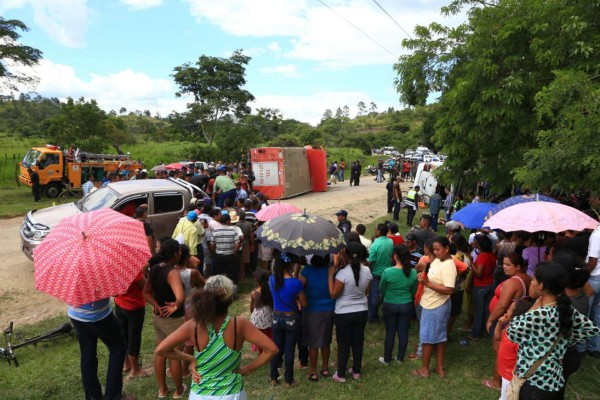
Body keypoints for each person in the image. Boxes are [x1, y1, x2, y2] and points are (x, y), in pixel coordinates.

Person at [155, 275, 278, 400]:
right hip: (232, 393)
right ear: (230, 300)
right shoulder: (239, 324)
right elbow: (272, 349)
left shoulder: (193, 325)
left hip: (201, 394)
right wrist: (248, 369)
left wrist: (191, 359)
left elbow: (161, 350)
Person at [507, 262, 600, 399]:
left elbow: (512, 332)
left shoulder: (539, 315)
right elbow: (590, 329)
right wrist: (565, 341)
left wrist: (535, 306)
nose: (531, 283)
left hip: (535, 382)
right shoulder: (566, 309)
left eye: (533, 280)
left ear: (541, 286)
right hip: (554, 379)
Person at [143, 239, 187, 399]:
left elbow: (146, 292)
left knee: (160, 352)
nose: (180, 254)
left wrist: (155, 305)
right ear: (175, 254)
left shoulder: (154, 268)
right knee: (174, 355)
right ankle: (178, 390)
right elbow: (180, 297)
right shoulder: (172, 272)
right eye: (179, 252)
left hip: (158, 317)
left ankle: (162, 389)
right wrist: (176, 306)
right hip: (173, 320)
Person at [482, 252, 530, 390]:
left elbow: (502, 305)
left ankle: (496, 382)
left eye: (508, 265)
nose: (504, 267)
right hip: (516, 319)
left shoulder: (512, 282)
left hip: (505, 320)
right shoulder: (526, 277)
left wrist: (491, 320)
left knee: (500, 352)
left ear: (518, 266)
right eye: (503, 264)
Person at [412, 236, 456, 379]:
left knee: (428, 339)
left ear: (447, 249)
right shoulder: (438, 260)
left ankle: (425, 370)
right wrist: (423, 277)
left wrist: (427, 284)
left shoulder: (449, 265)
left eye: (438, 249)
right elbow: (432, 276)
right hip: (432, 302)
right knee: (439, 337)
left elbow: (449, 289)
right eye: (434, 249)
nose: (435, 252)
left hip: (435, 306)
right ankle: (439, 368)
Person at [328, 242, 372, 382]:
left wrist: (330, 275)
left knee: (344, 343)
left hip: (343, 313)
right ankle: (356, 371)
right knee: (358, 342)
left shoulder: (342, 273)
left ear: (346, 255)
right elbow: (366, 292)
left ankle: (340, 374)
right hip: (361, 311)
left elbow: (333, 294)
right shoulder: (367, 271)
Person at [69, 297, 128, 400]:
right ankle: (113, 396)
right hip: (99, 316)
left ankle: (93, 397)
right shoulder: (97, 280)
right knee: (118, 349)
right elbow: (115, 291)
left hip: (76, 314)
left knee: (87, 355)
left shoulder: (72, 280)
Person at [269, 251, 307, 387]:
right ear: (291, 264)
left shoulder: (272, 279)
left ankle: (273, 377)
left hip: (275, 317)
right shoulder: (295, 283)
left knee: (276, 348)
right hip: (290, 317)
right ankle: (288, 380)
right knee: (289, 350)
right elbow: (304, 303)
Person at [378, 244, 418, 365]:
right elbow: (414, 290)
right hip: (406, 305)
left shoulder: (388, 272)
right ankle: (400, 358)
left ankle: (387, 359)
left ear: (395, 256)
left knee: (390, 332)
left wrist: (386, 298)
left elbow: (382, 289)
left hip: (390, 304)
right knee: (403, 331)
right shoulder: (413, 272)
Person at [299, 254, 336, 381]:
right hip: (328, 309)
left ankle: (313, 371)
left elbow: (298, 286)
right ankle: (325, 368)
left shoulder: (307, 271)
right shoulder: (331, 271)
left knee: (312, 343)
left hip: (311, 309)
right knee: (326, 341)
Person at [114, 269, 150, 381]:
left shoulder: (111, 270)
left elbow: (113, 292)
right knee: (134, 337)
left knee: (123, 334)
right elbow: (146, 286)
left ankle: (126, 364)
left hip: (119, 305)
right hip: (134, 307)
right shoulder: (132, 270)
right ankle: (135, 369)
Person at [495, 298, 533, 400]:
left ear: (516, 316)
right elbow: (497, 337)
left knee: (506, 397)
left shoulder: (518, 338)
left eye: (509, 309)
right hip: (505, 372)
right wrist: (499, 324)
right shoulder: (510, 326)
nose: (506, 310)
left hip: (511, 376)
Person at [470, 234, 496, 341]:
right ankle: (489, 331)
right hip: (490, 284)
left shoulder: (482, 256)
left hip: (480, 286)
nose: (473, 243)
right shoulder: (493, 255)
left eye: (475, 242)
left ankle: (475, 334)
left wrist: (471, 262)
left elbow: (479, 273)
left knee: (478, 310)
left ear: (480, 245)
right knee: (487, 310)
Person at [366, 224, 394, 323]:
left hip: (376, 273)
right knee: (384, 295)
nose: (374, 230)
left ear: (378, 232)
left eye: (375, 229)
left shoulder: (375, 244)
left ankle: (372, 316)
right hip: (387, 272)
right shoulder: (390, 241)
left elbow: (371, 261)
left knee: (374, 296)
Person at [210, 213, 241, 284]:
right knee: (231, 275)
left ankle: (220, 289)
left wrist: (214, 253)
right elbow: (237, 244)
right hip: (230, 256)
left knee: (219, 274)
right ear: (227, 221)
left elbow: (212, 245)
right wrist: (234, 253)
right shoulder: (233, 231)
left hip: (219, 256)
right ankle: (231, 290)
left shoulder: (215, 231)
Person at [249, 270, 273, 354]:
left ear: (256, 280)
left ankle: (261, 352)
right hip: (268, 314)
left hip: (258, 316)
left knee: (259, 335)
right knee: (269, 333)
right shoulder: (270, 290)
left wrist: (252, 313)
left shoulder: (254, 293)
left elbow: (252, 307)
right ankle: (270, 349)